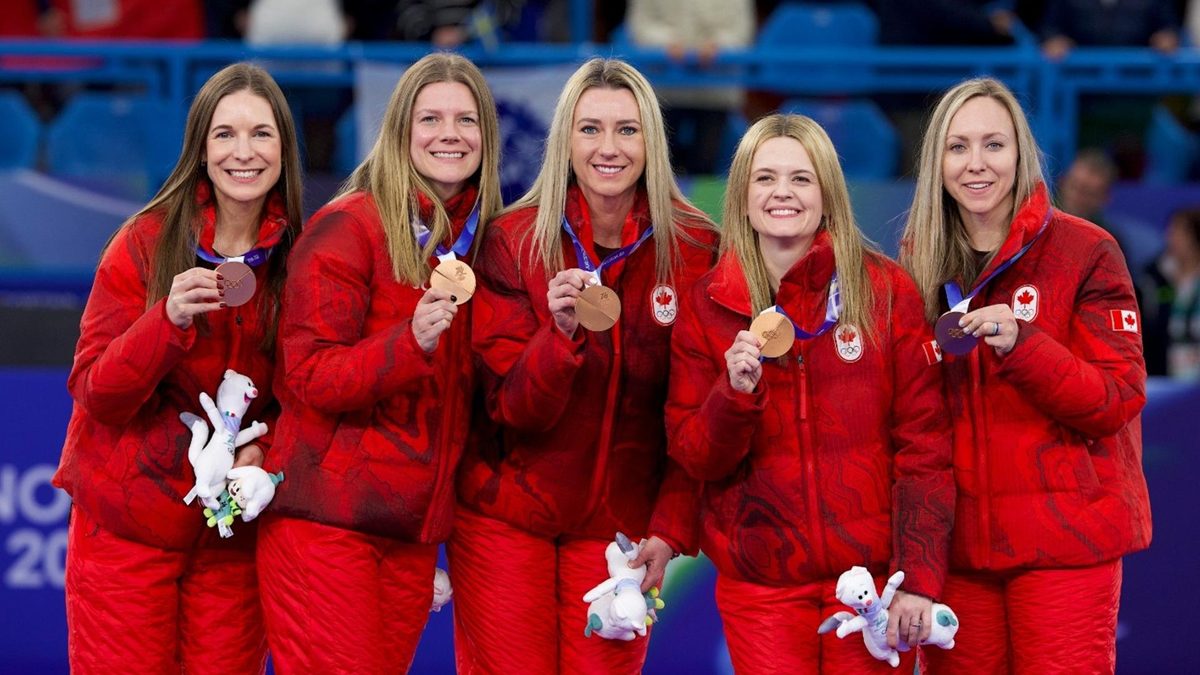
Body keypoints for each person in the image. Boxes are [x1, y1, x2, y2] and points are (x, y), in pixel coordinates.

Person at [450, 57, 718, 674]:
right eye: (590, 129)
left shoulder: (697, 248)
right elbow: (512, 409)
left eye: (627, 130)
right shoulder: (513, 240)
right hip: (504, 521)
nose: (609, 148)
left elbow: (695, 416)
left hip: (619, 533)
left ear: (651, 141)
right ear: (564, 140)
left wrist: (671, 527)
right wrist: (560, 334)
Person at [665, 113, 954, 674]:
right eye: (765, 178)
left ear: (828, 194)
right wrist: (733, 394)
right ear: (741, 195)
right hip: (761, 587)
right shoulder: (706, 305)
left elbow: (925, 448)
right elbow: (695, 457)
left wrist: (918, 578)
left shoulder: (886, 291)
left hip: (872, 586)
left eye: (801, 178)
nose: (782, 192)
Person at [255, 52, 502, 674]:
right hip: (327, 526)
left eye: (466, 120)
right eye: (431, 119)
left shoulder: (481, 241)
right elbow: (309, 375)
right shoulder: (349, 227)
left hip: (408, 534)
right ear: (399, 130)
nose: (450, 134)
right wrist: (407, 344)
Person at [53, 62, 303, 673]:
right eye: (225, 134)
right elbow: (97, 393)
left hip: (229, 537)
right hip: (126, 527)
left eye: (261, 133)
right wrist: (166, 322)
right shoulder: (144, 241)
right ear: (200, 148)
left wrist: (264, 454)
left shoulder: (304, 256)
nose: (243, 151)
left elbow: (309, 397)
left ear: (284, 149)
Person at [900, 77, 1151, 674]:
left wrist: (1024, 344)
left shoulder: (1086, 251)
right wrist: (917, 557)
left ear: (1022, 154)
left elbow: (1117, 399)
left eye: (994, 144)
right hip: (960, 556)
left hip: (1065, 546)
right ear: (937, 162)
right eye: (958, 147)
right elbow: (913, 427)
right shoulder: (917, 261)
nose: (976, 163)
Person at [1139, 206, 1200, 378]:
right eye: (1171, 231)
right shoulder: (1154, 276)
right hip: (1162, 372)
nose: (1171, 238)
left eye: (1181, 233)